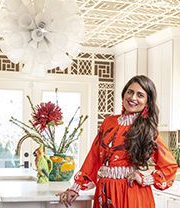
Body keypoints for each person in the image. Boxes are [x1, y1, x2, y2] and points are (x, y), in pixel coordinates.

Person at [57, 75, 178, 208]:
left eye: (140, 95)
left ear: (148, 102)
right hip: (104, 191)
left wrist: (145, 178)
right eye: (130, 92)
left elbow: (170, 167)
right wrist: (75, 188)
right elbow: (94, 156)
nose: (133, 98)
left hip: (132, 193)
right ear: (124, 93)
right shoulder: (109, 122)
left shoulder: (148, 130)